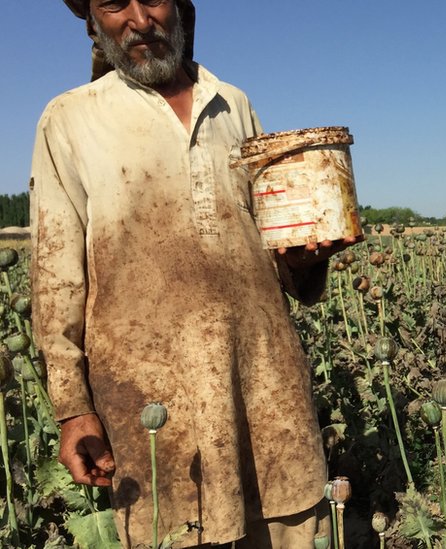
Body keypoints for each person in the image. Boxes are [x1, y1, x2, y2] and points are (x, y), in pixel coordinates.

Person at [30, 1, 356, 547]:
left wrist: (306, 257)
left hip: (268, 394)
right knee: (178, 531)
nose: (139, 17)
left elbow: (279, 252)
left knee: (295, 522)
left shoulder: (233, 103)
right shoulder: (69, 119)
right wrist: (72, 411)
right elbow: (55, 277)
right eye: (114, 3)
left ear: (181, 8)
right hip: (153, 414)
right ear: (92, 22)